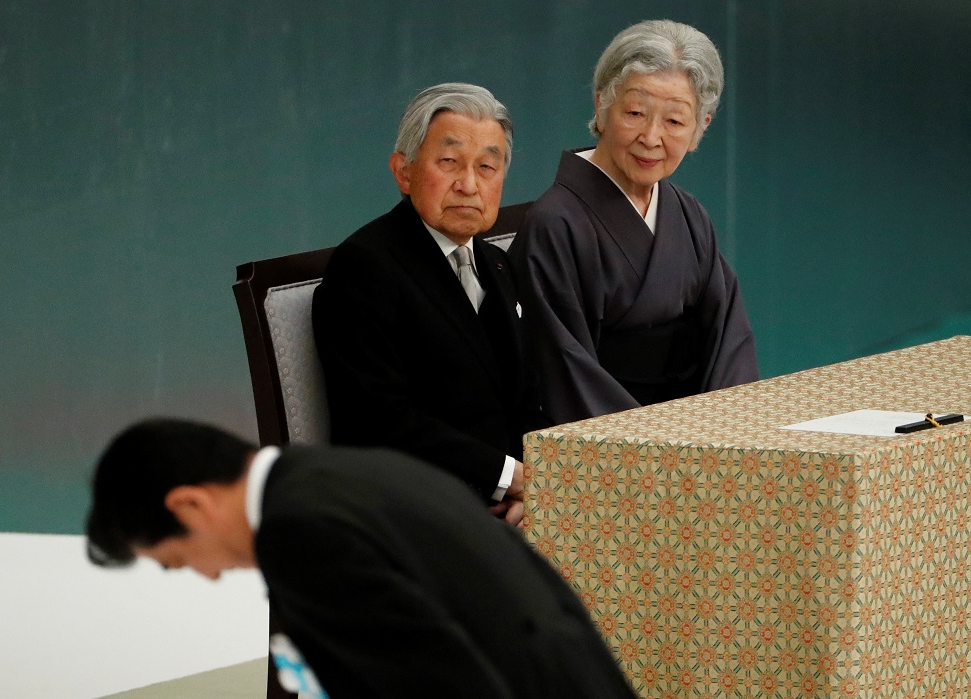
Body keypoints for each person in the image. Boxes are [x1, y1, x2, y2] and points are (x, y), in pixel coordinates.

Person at [85, 418, 639, 699]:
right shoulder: (349, 473)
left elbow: (434, 688)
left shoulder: (298, 532)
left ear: (189, 504)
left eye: (179, 560)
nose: (207, 575)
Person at [312, 83, 547, 526]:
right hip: (409, 513)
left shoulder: (497, 263)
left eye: (487, 167)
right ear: (404, 172)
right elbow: (378, 422)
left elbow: (526, 397)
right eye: (449, 163)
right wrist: (510, 477)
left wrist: (530, 489)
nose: (469, 184)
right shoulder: (365, 267)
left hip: (503, 505)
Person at [509, 20, 758, 425]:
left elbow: (730, 341)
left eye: (675, 122)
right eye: (635, 113)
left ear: (701, 128)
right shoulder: (555, 225)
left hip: (703, 439)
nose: (651, 137)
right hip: (615, 454)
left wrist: (725, 429)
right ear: (601, 106)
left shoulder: (689, 215)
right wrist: (654, 447)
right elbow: (564, 368)